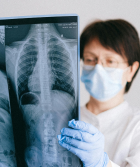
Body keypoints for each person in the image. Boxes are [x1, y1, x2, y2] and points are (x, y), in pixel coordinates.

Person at [57, 19, 140, 167]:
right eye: (90, 59)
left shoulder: (136, 126)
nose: (98, 69)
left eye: (110, 61)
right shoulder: (62, 118)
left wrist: (102, 163)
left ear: (131, 70)